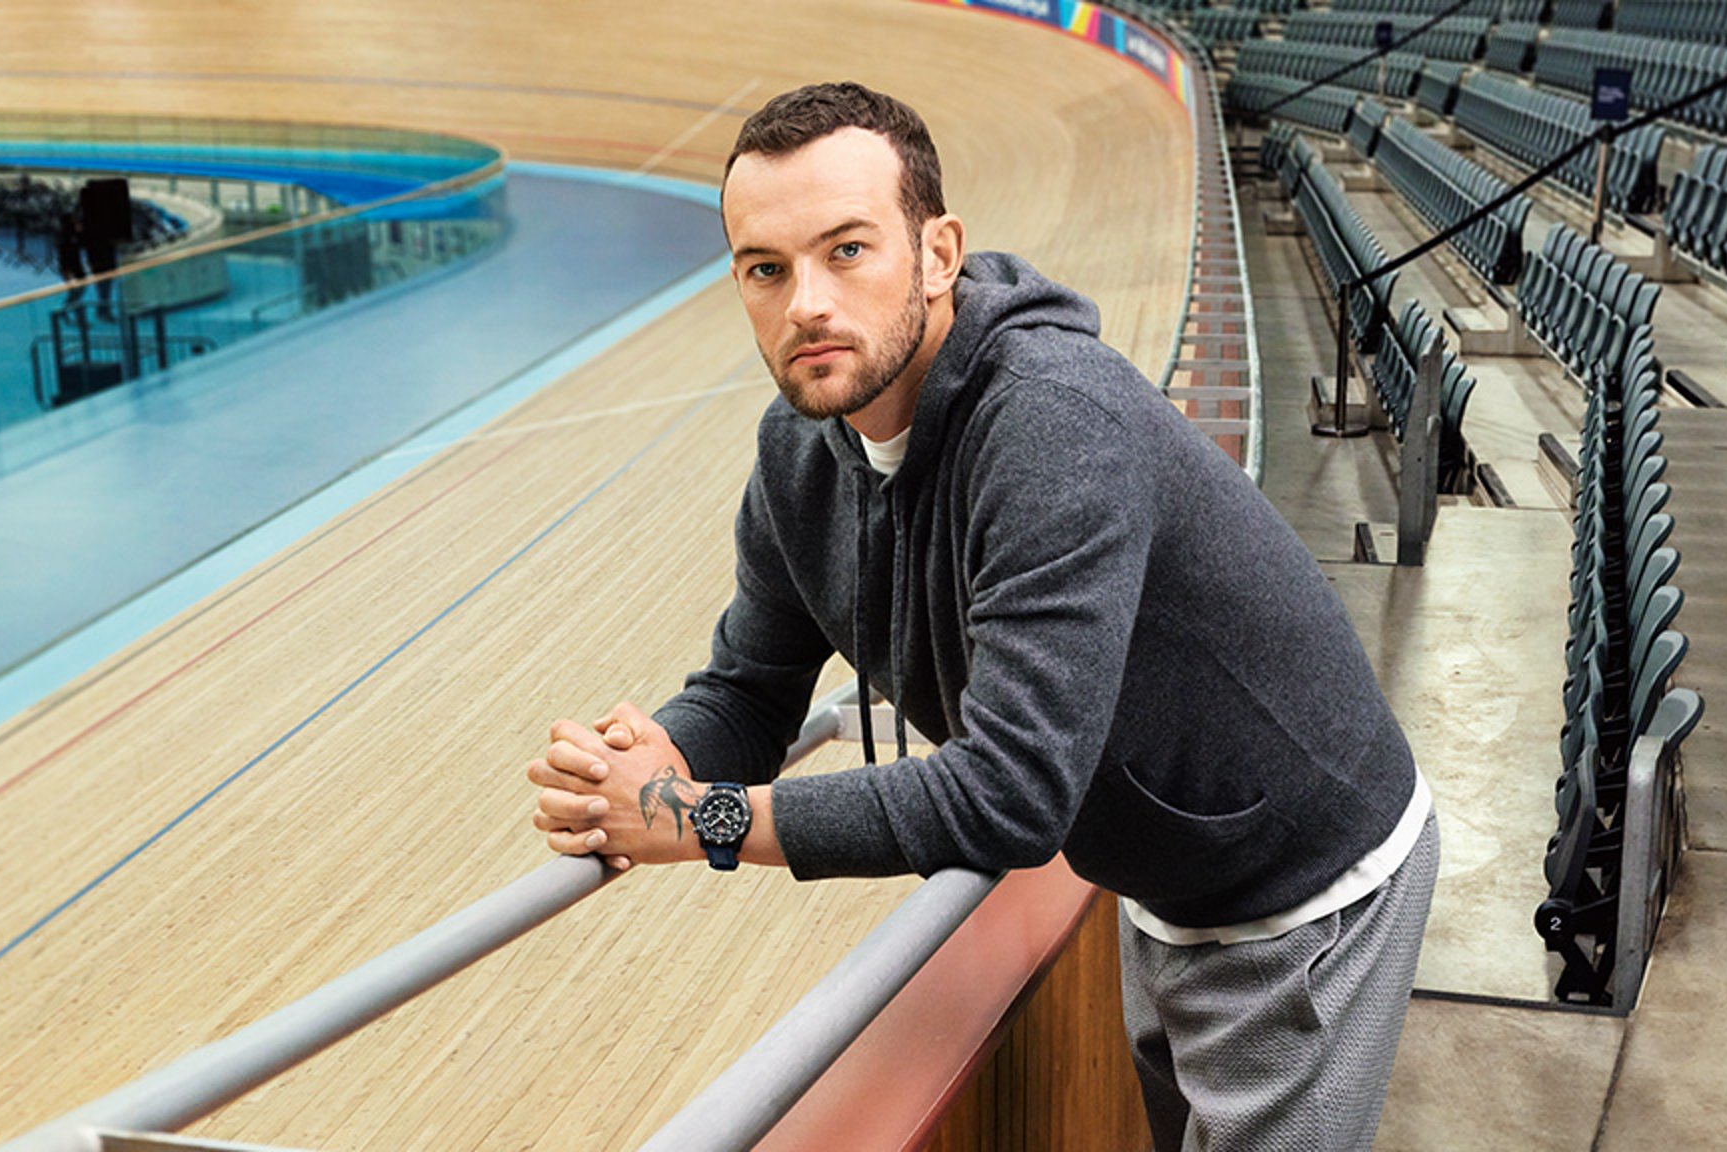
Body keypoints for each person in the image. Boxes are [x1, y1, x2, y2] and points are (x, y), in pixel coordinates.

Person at [521, 82, 1434, 1152]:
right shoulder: (798, 453)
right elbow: (751, 687)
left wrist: (699, 820)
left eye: (847, 251)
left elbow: (1010, 797)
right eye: (766, 269)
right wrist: (652, 761)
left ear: (940, 252)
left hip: (1305, 890)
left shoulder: (1052, 423)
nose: (805, 301)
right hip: (1169, 875)